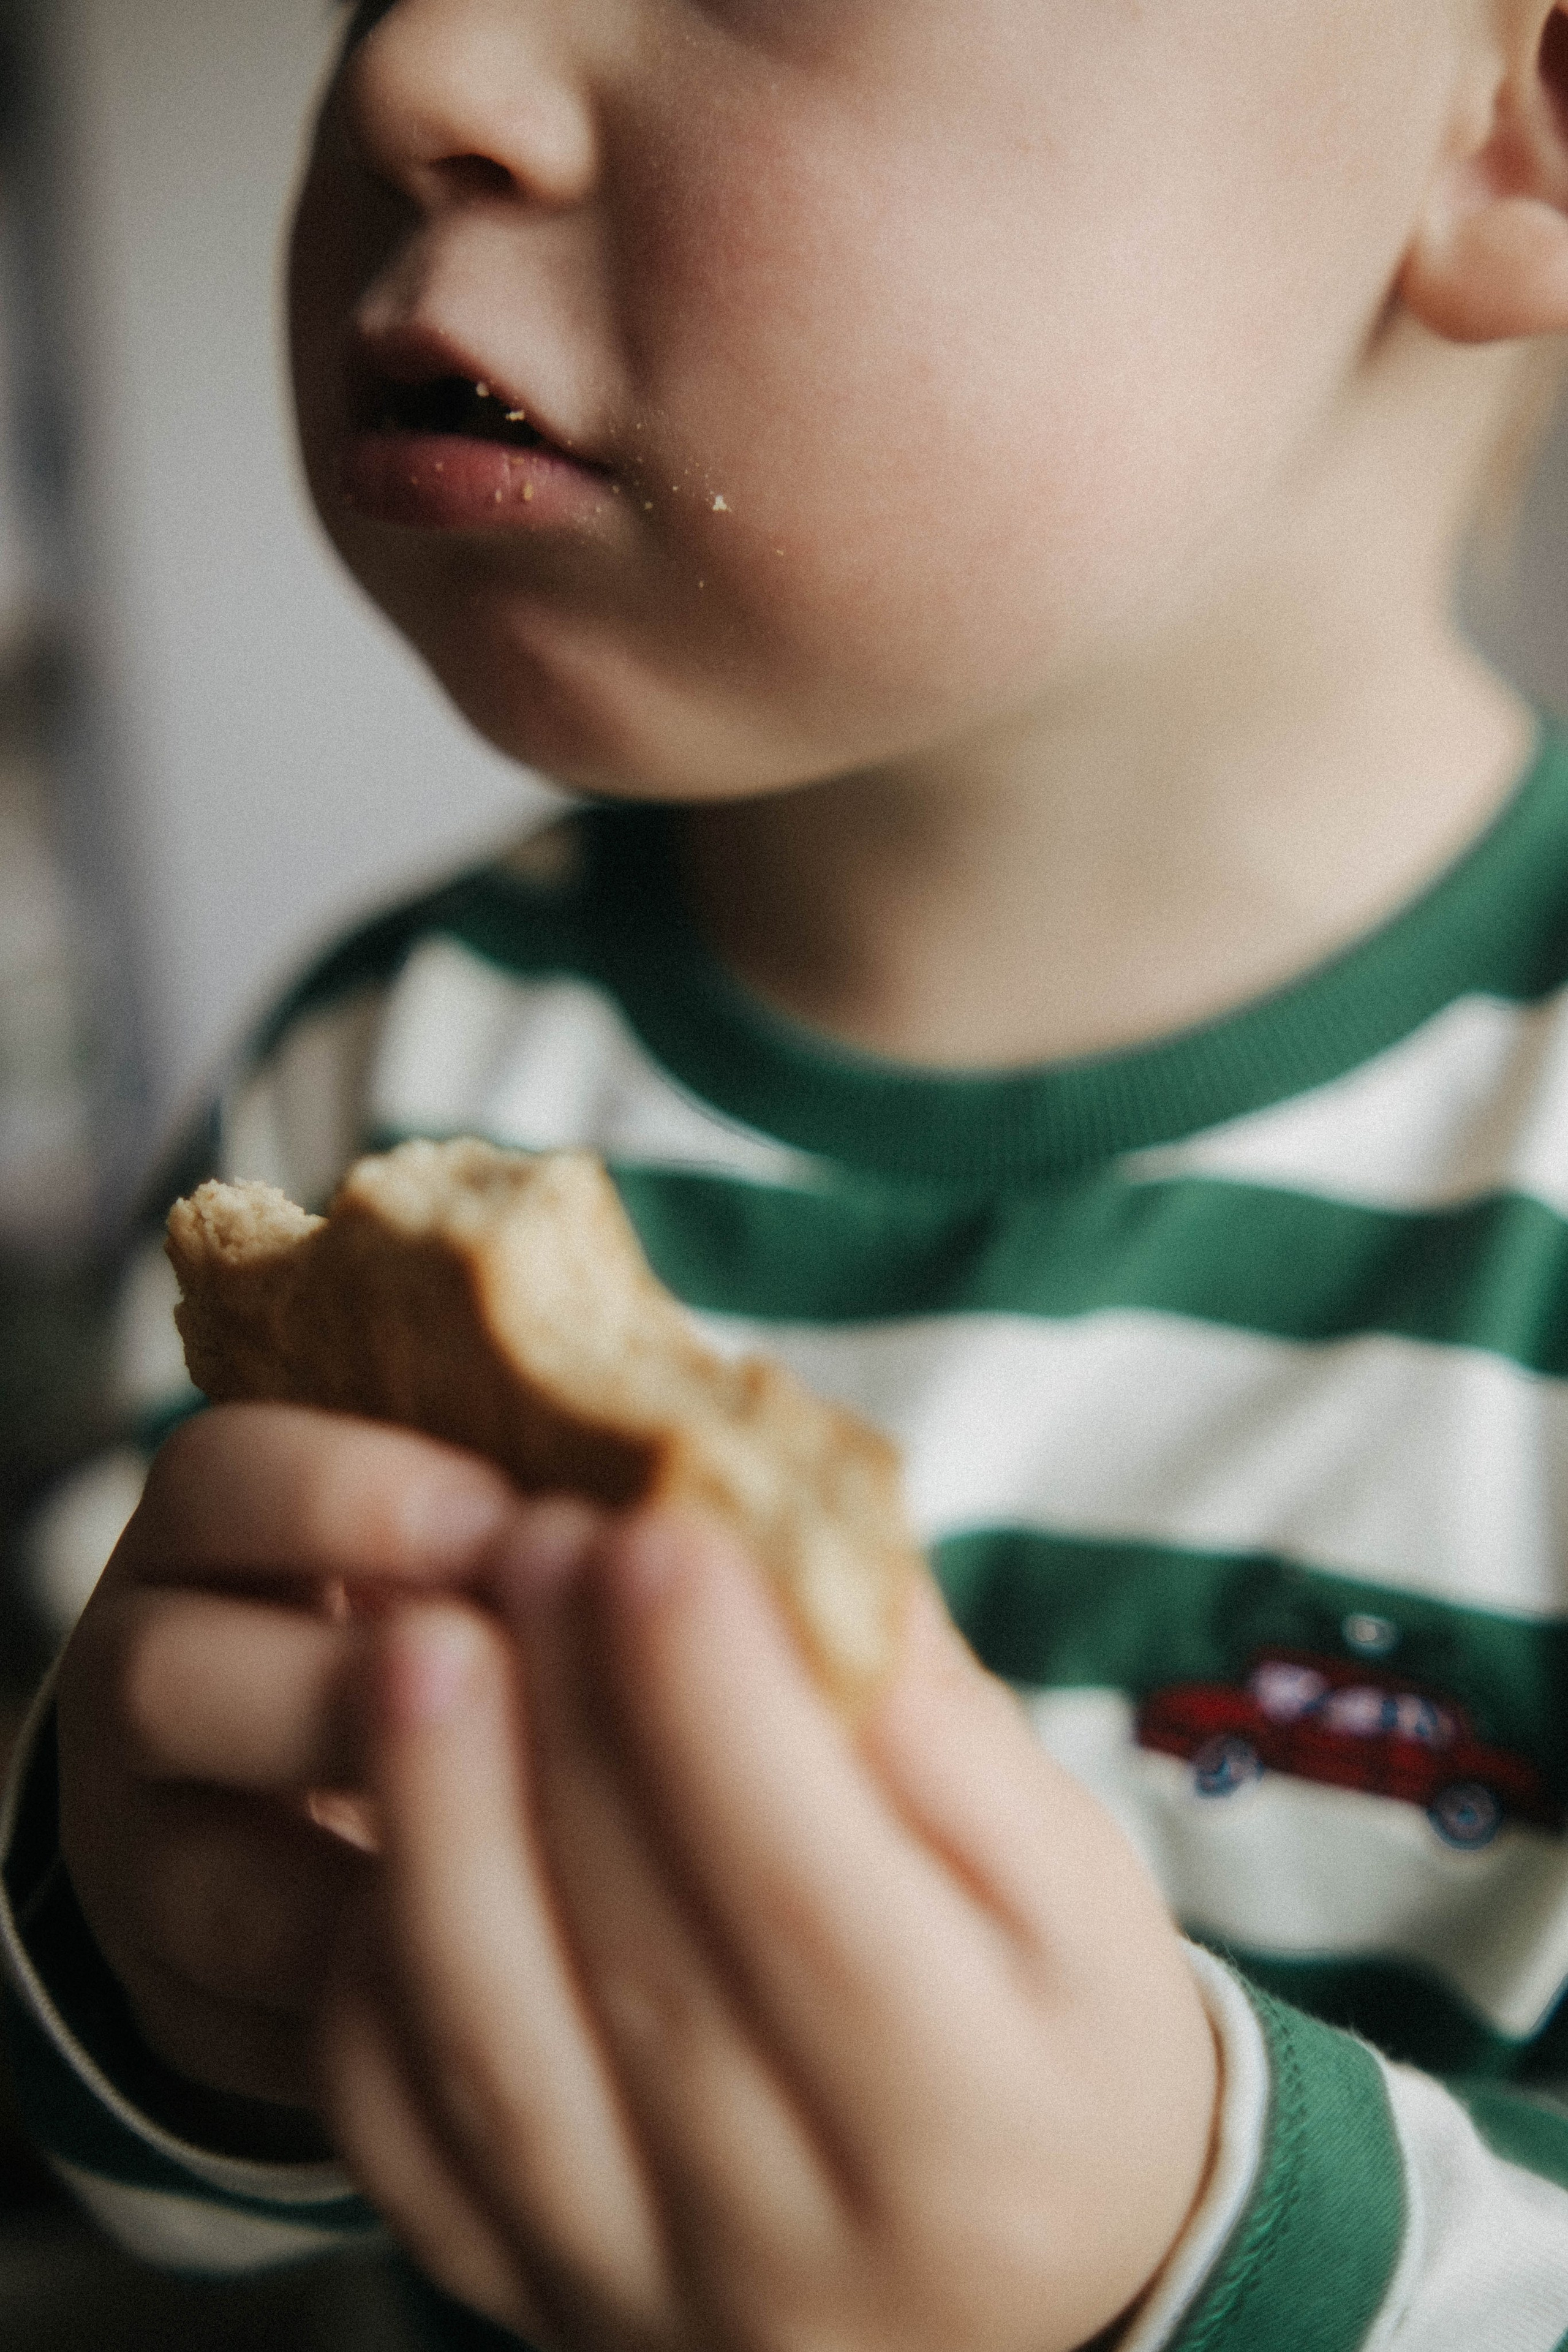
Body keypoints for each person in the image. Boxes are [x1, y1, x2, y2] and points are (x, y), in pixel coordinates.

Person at [7, 0, 1568, 2343]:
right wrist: (177, 1999)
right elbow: (157, 2199)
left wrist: (1192, 2243)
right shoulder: (384, 1088)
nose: (420, 70)